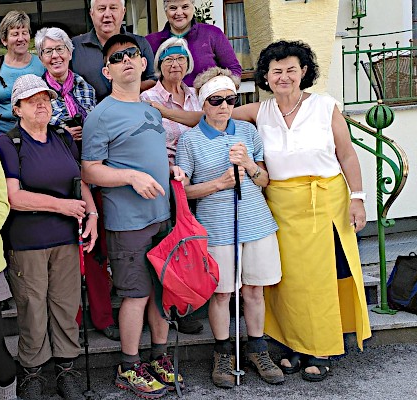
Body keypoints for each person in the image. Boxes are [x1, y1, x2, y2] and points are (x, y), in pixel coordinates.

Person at [233, 40, 371, 382]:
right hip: (280, 204)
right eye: (276, 71)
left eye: (291, 70)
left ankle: (321, 348)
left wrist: (358, 197)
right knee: (289, 281)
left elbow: (348, 155)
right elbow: (209, 115)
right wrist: (159, 110)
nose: (283, 76)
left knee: (321, 280)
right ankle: (296, 344)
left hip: (325, 201)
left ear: (304, 72)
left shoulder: (325, 106)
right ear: (266, 75)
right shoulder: (258, 111)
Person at [82, 34, 183, 399]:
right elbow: (89, 171)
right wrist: (130, 177)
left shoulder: (150, 109)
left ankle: (158, 358)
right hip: (127, 223)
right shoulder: (100, 115)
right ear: (107, 70)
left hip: (161, 218)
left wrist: (171, 172)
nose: (126, 59)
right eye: (117, 57)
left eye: (132, 54)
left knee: (159, 292)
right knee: (136, 295)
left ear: (143, 64)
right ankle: (128, 365)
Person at [175, 67, 285, 388]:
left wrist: (249, 165)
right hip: (217, 226)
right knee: (222, 293)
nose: (223, 106)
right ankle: (223, 352)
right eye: (215, 100)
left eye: (229, 100)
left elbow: (264, 180)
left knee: (254, 289)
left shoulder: (248, 133)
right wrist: (220, 183)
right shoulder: (191, 139)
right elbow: (182, 191)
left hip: (256, 221)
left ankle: (257, 348)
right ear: (203, 102)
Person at [0, 74, 96, 399]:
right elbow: (14, 197)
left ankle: (66, 372)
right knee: (32, 310)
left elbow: (77, 181)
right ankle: (33, 374)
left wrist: (90, 214)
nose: (41, 104)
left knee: (65, 307)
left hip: (66, 240)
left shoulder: (63, 137)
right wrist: (63, 207)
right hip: (27, 243)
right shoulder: (8, 143)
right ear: (17, 108)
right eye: (32, 100)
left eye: (45, 98)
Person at [35, 26, 121, 341]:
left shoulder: (84, 86)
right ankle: (70, 322)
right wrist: (60, 134)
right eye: (48, 51)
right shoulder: (35, 92)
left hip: (90, 175)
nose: (55, 56)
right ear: (41, 58)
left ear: (71, 54)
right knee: (65, 259)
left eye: (61, 49)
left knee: (95, 251)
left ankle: (102, 317)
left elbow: (102, 126)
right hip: (55, 183)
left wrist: (87, 131)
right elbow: (31, 134)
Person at [71, 0, 156, 102]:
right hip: (90, 114)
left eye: (113, 8)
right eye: (101, 9)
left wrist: (124, 91)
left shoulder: (140, 43)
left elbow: (153, 80)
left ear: (123, 12)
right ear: (91, 13)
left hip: (134, 111)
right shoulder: (74, 47)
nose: (107, 14)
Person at [145, 0, 242, 87]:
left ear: (193, 7)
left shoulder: (212, 34)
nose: (179, 13)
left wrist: (220, 93)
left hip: (207, 103)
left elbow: (234, 70)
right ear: (166, 11)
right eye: (173, 8)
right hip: (164, 104)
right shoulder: (151, 42)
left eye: (185, 7)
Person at [140, 37, 201, 166]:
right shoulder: (147, 98)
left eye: (180, 58)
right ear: (159, 66)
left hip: (203, 165)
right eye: (168, 59)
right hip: (170, 169)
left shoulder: (197, 94)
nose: (175, 64)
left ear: (188, 63)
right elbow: (148, 145)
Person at [0, 11, 45, 134]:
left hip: (35, 133)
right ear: (4, 40)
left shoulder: (41, 64)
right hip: (1, 134)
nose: (21, 38)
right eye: (15, 34)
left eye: (24, 33)